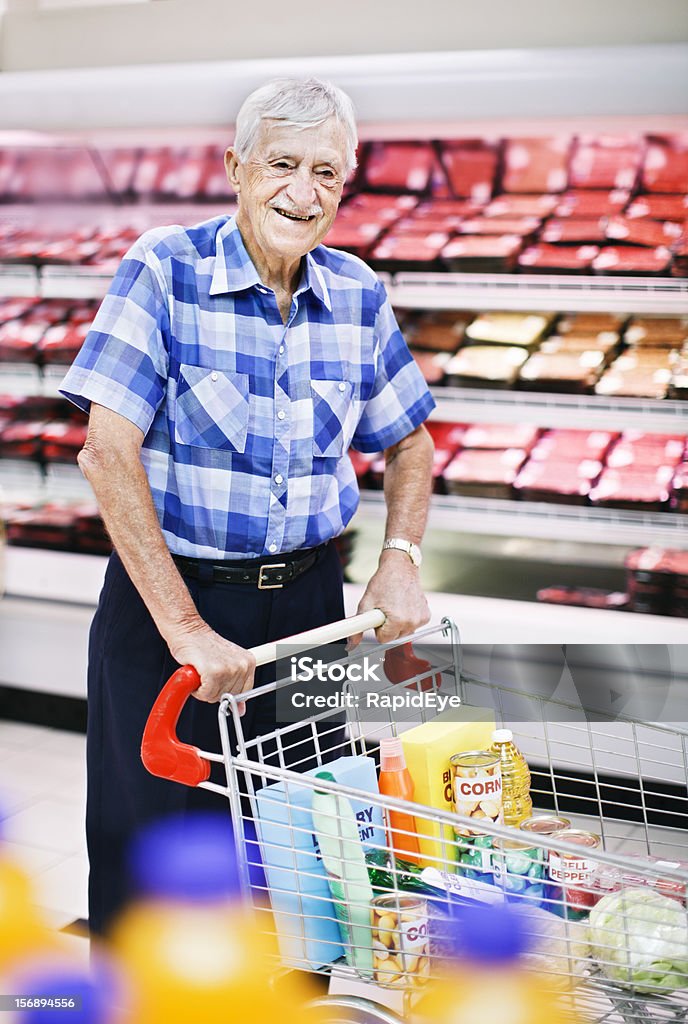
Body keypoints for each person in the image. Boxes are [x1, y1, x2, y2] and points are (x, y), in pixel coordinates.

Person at [60, 77, 435, 937]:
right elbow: (105, 450)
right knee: (155, 870)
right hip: (172, 611)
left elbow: (409, 441)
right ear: (235, 166)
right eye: (283, 164)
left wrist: (397, 558)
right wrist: (187, 628)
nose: (304, 194)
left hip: (310, 610)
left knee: (307, 868)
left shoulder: (358, 294)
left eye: (328, 174)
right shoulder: (165, 268)